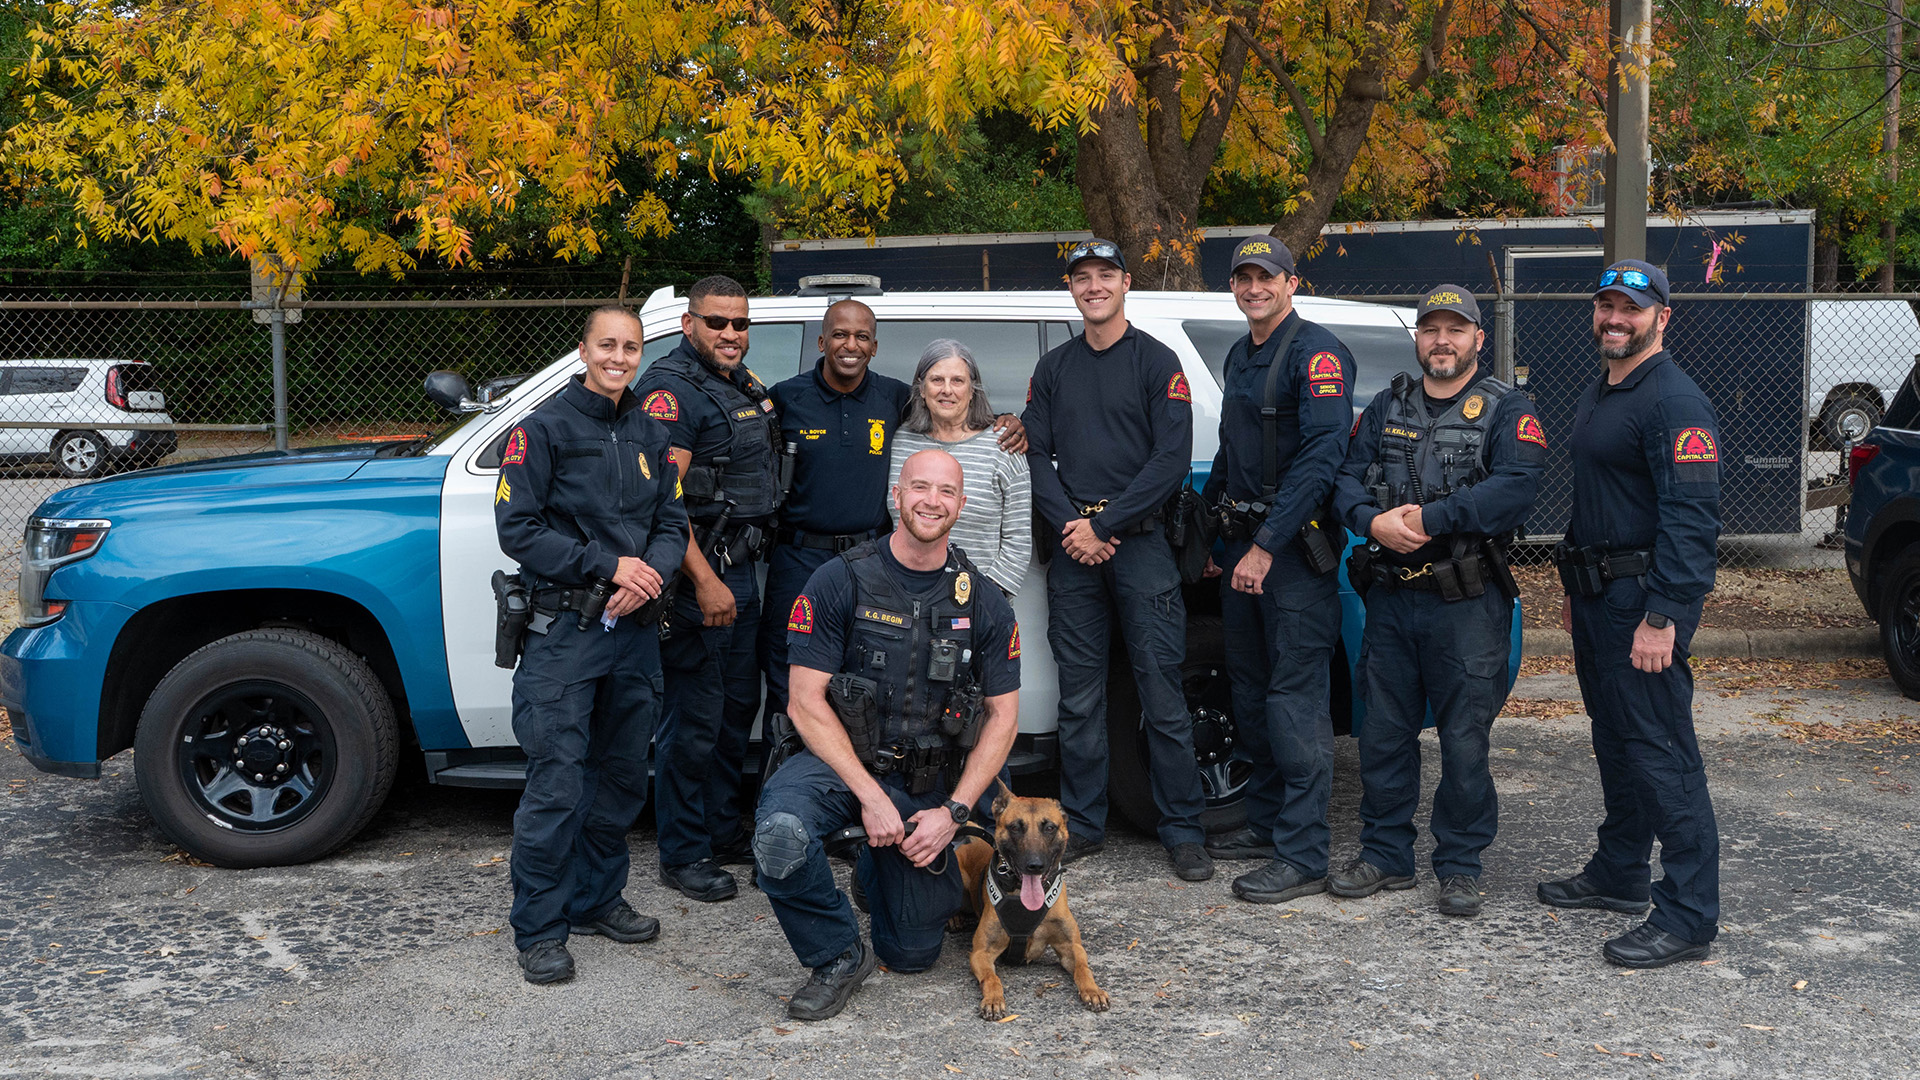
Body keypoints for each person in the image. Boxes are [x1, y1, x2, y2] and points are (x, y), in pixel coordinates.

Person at [753, 449, 1022, 1022]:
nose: (932, 500)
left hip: (929, 783)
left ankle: (877, 879)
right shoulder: (838, 580)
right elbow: (804, 701)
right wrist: (871, 797)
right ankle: (838, 954)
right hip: (838, 763)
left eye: (946, 492)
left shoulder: (985, 600)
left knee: (912, 955)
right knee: (780, 835)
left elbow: (1003, 717)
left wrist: (953, 811)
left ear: (961, 505)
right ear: (895, 496)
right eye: (919, 487)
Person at [1332, 285, 1545, 916]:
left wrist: (1428, 518)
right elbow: (1344, 478)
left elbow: (1516, 488)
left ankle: (1460, 864)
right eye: (1431, 330)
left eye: (1456, 330)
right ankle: (1385, 853)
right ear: (1418, 338)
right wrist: (1371, 523)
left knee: (1463, 740)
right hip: (1392, 601)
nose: (1442, 341)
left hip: (1467, 602)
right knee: (1384, 734)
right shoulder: (1386, 405)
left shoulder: (1510, 411)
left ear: (1478, 338)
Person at [493, 305, 687, 984]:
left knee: (621, 779)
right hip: (567, 634)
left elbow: (673, 521)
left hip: (633, 632)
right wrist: (609, 567)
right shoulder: (541, 430)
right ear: (583, 350)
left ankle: (597, 898)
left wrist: (652, 572)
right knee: (558, 785)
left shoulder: (650, 432)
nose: (620, 357)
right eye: (608, 344)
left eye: (631, 347)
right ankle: (541, 929)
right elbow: (517, 530)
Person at [1540, 260, 1723, 968]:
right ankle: (1620, 872)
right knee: (1617, 741)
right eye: (1607, 306)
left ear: (1662, 317)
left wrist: (1665, 615)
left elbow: (1692, 516)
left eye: (1632, 309)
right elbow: (1600, 499)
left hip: (1643, 605)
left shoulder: (1674, 401)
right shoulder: (1604, 387)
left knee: (1662, 754)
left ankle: (1688, 915)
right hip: (1598, 597)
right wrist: (1574, 579)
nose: (1616, 318)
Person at [1023, 238, 1212, 882]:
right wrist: (1076, 528)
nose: (1094, 286)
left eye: (1106, 275)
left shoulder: (1158, 363)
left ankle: (1183, 829)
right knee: (1079, 698)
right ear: (1071, 289)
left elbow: (1171, 462)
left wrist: (1105, 523)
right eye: (1083, 277)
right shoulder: (1053, 370)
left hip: (1143, 545)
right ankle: (1084, 822)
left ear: (1126, 282)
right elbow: (1037, 459)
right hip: (1076, 547)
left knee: (1162, 692)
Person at [763, 304, 1026, 721]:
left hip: (874, 565)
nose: (850, 346)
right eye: (839, 335)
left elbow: (953, 414)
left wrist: (1012, 420)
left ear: (875, 346)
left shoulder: (892, 398)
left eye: (862, 337)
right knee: (790, 680)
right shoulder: (784, 398)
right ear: (821, 341)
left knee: (867, 682)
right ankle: (791, 781)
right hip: (799, 557)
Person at [1196, 236, 1353, 904]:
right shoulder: (1241, 353)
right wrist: (1212, 534)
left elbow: (1322, 458)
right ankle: (1263, 822)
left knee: (1295, 702)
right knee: (1252, 694)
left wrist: (1265, 543)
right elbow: (1233, 454)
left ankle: (1303, 852)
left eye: (1266, 277)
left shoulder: (1316, 354)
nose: (1254, 288)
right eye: (1243, 278)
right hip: (1242, 548)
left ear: (1292, 283)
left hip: (1289, 555)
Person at [633, 275, 781, 904]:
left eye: (740, 324)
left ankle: (721, 832)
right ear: (689, 323)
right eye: (717, 322)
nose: (730, 334)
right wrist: (704, 579)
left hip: (740, 569)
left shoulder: (735, 384)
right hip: (701, 581)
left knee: (732, 712)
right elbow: (662, 501)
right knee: (693, 720)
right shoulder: (670, 390)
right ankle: (684, 852)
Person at [889, 339, 1032, 595]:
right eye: (936, 380)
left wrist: (985, 600)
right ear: (921, 389)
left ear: (972, 389)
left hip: (977, 601)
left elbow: (1017, 539)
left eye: (957, 381)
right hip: (904, 596)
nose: (947, 390)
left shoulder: (1004, 445)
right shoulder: (902, 441)